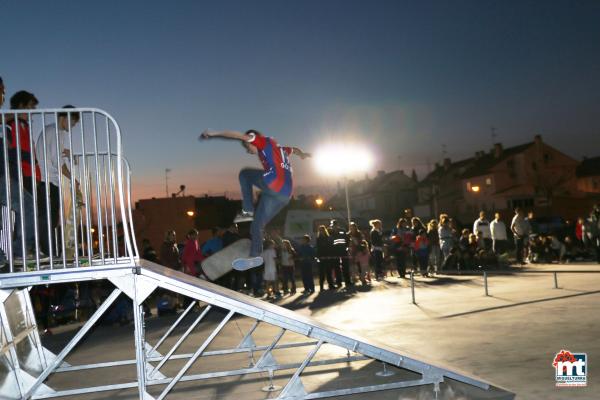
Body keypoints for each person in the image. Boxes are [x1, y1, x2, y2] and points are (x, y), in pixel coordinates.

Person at [199, 129, 310, 270]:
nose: (248, 151)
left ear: (251, 141)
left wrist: (214, 134)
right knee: (257, 225)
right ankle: (255, 257)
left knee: (244, 174)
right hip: (284, 196)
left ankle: (248, 210)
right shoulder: (282, 150)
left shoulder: (263, 142)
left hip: (274, 184)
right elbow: (294, 150)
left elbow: (237, 135)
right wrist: (303, 155)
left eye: (247, 147)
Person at [36, 106, 82, 257]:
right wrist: (72, 179)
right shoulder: (56, 133)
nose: (73, 125)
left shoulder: (54, 132)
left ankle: (47, 252)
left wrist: (71, 155)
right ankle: (47, 253)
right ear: (64, 118)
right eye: (73, 121)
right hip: (46, 181)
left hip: (47, 181)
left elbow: (58, 156)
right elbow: (58, 162)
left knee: (50, 218)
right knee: (48, 219)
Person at [0, 79, 36, 265]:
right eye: (1, 91)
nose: (3, 95)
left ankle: (15, 252)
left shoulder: (8, 123)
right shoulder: (8, 120)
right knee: (28, 205)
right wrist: (12, 117)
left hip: (5, 173)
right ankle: (20, 251)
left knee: (27, 205)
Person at [329, 219, 352, 290]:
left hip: (343, 251)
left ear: (337, 225)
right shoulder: (330, 233)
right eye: (332, 226)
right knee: (337, 268)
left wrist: (347, 247)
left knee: (345, 267)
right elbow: (330, 243)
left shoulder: (343, 231)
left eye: (334, 225)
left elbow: (347, 239)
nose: (333, 227)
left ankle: (348, 282)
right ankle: (339, 282)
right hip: (335, 253)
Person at [316, 225, 335, 291]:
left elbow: (330, 247)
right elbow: (318, 248)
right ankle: (321, 287)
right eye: (320, 230)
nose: (321, 232)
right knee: (322, 273)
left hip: (328, 257)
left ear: (325, 230)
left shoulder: (328, 237)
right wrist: (319, 257)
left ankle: (331, 285)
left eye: (322, 230)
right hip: (321, 257)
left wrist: (330, 255)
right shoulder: (318, 239)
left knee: (329, 272)